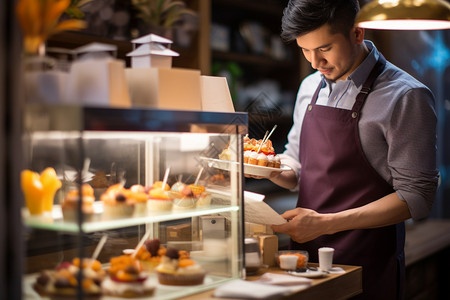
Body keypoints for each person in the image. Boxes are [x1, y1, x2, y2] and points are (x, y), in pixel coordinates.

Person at [260, 1, 439, 299]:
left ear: (357, 33)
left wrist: (325, 224)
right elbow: (295, 167)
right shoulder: (309, 87)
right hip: (305, 258)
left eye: (325, 48)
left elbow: (417, 197)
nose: (315, 62)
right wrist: (268, 167)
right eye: (305, 50)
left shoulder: (406, 96)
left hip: (368, 261)